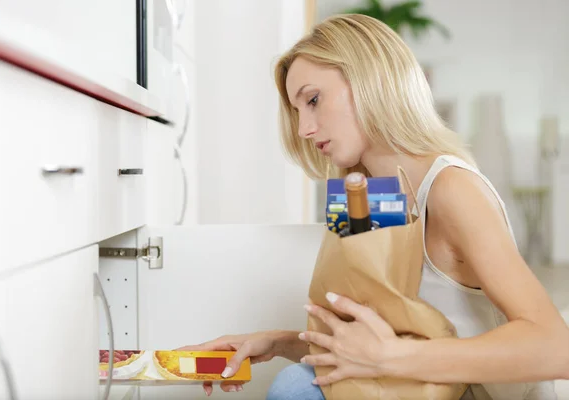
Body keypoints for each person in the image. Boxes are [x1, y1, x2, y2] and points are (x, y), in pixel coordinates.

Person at [179, 14, 569, 399]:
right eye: (298, 112)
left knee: (296, 387)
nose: (303, 129)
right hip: (416, 387)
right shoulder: (366, 194)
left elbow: (556, 349)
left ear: (370, 82)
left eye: (313, 100)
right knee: (298, 383)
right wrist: (275, 342)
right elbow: (371, 351)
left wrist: (395, 357)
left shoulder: (452, 187)